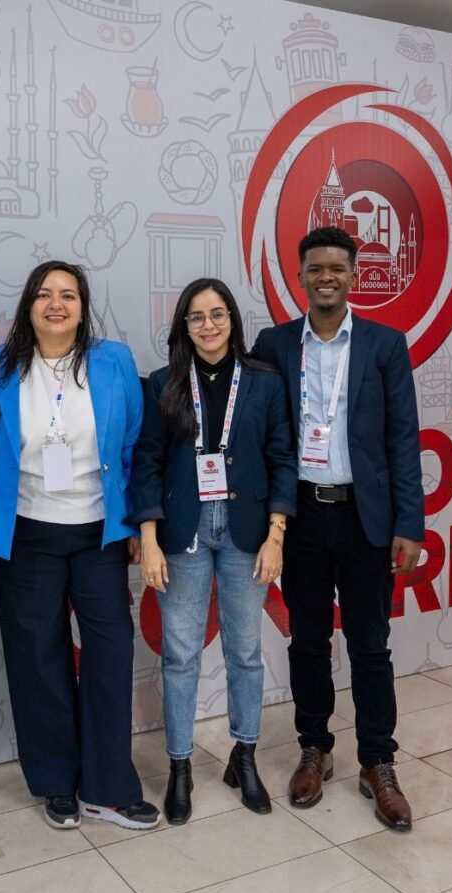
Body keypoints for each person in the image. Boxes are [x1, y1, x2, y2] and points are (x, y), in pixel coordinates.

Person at [251, 225, 424, 832]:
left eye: (337, 269)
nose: (326, 277)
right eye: (315, 269)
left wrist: (410, 523)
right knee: (309, 643)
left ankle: (378, 761)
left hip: (365, 519)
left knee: (371, 645)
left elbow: (404, 439)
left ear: (353, 275)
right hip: (299, 516)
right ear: (299, 277)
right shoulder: (273, 345)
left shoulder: (385, 345)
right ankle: (315, 748)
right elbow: (261, 434)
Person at [0, 260, 160, 831]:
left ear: (83, 307)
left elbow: (133, 446)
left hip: (98, 532)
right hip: (27, 532)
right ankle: (57, 781)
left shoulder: (114, 362)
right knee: (38, 658)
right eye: (43, 294)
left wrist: (135, 526)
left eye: (68, 295)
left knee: (109, 653)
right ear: (27, 306)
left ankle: (108, 786)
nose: (55, 304)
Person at [131, 278, 296, 825]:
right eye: (197, 316)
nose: (208, 325)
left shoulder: (265, 383)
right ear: (184, 325)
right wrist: (148, 538)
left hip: (248, 531)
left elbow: (282, 458)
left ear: (232, 320)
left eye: (218, 314)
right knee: (180, 656)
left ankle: (243, 756)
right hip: (184, 531)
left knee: (245, 653)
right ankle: (179, 766)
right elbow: (147, 462)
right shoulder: (163, 384)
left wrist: (276, 535)